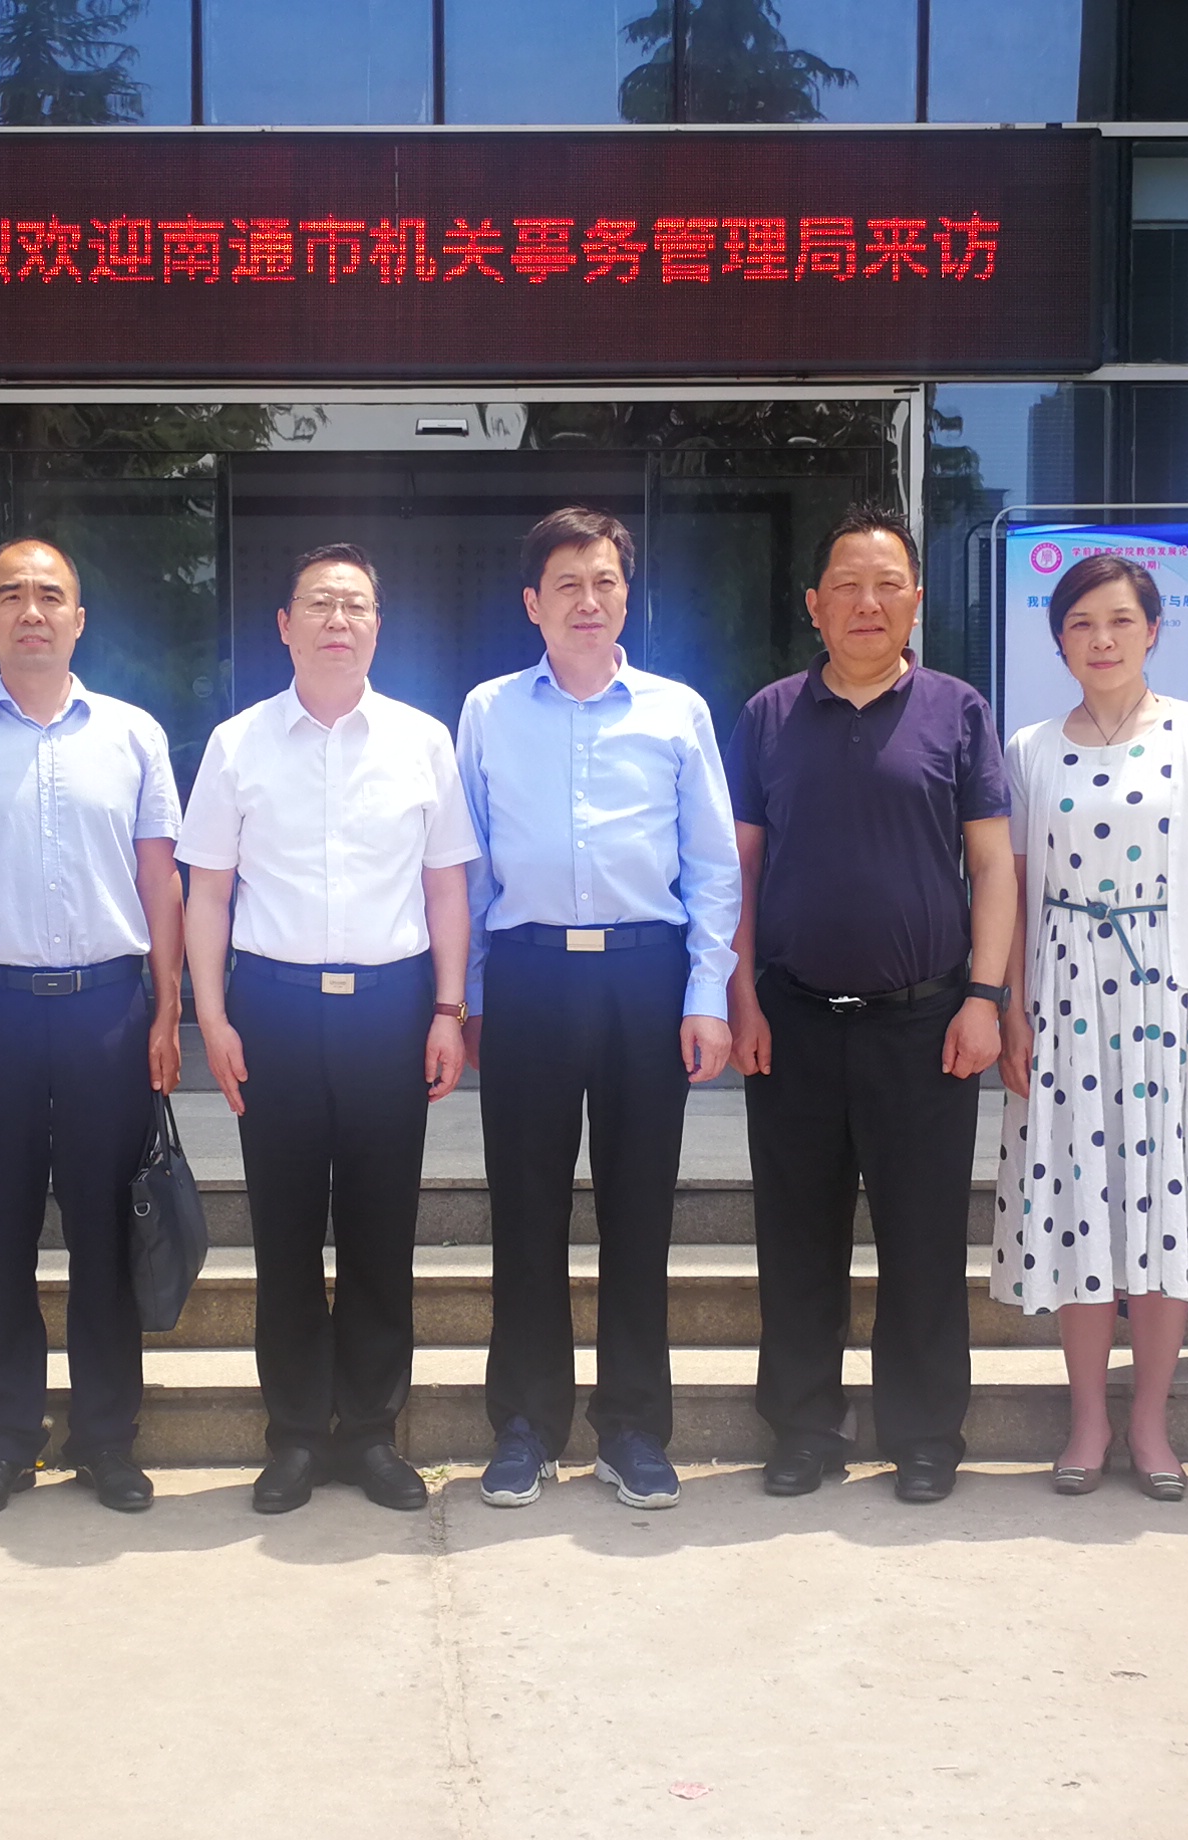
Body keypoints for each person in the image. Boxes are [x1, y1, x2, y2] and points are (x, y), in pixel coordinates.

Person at [727, 503, 1017, 1506]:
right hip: (794, 1019)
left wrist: (986, 997)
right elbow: (741, 871)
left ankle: (926, 1434)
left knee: (923, 1241)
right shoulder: (768, 716)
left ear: (916, 601)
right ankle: (804, 1427)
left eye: (887, 584)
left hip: (925, 1023)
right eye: (846, 585)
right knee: (797, 1238)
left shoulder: (957, 711)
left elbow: (993, 864)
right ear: (814, 604)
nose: (867, 602)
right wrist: (740, 998)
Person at [181, 543, 477, 1515]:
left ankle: (372, 1433)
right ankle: (299, 1437)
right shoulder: (237, 745)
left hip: (393, 1008)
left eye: (355, 604)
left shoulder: (422, 740)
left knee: (382, 1230)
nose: (337, 620)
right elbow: (208, 892)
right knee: (285, 1232)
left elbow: (446, 888)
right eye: (319, 603)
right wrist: (211, 1016)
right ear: (285, 624)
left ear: (377, 626)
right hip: (272, 1007)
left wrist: (448, 1009)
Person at [0, 539, 185, 1520]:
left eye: (50, 595)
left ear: (79, 619)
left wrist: (169, 1007)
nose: (31, 610)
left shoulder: (134, 734)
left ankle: (106, 1440)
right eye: (10, 595)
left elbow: (160, 880)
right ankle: (4, 1443)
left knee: (105, 1233)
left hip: (110, 1011)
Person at [456, 507, 739, 1512]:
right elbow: (469, 864)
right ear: (532, 603)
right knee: (524, 1209)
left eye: (605, 581)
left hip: (644, 977)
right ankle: (525, 1427)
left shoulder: (676, 711)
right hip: (528, 976)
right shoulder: (489, 710)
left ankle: (632, 1429)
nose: (588, 600)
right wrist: (470, 996)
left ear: (627, 595)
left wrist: (707, 992)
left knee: (639, 1211)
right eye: (567, 584)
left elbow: (712, 865)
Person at [992, 554, 1188, 1501]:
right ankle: (1086, 1420)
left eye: (1120, 620)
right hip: (1065, 999)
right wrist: (1013, 1005)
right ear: (1058, 639)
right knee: (1080, 1205)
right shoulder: (1028, 748)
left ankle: (1149, 1420)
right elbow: (1015, 890)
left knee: (1161, 1203)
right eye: (1081, 624)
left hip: (1168, 1000)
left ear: (1153, 630)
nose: (1101, 640)